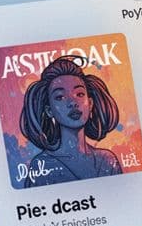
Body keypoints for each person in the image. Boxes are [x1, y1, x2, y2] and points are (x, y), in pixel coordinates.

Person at [17, 56, 122, 186]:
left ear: (90, 104)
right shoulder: (41, 166)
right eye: (60, 97)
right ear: (49, 111)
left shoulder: (107, 160)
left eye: (79, 94)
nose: (72, 102)